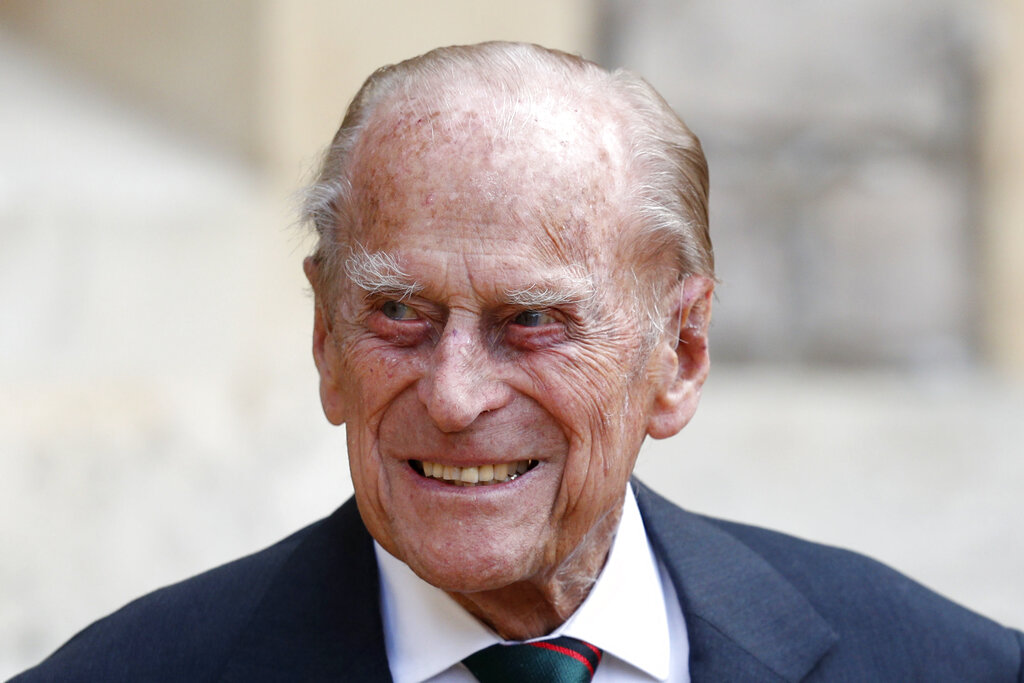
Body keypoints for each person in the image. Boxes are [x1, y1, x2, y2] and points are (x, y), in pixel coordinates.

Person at [12, 42, 1022, 683]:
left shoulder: (941, 664)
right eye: (398, 312)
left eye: (531, 320)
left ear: (679, 352)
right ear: (325, 339)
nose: (453, 396)